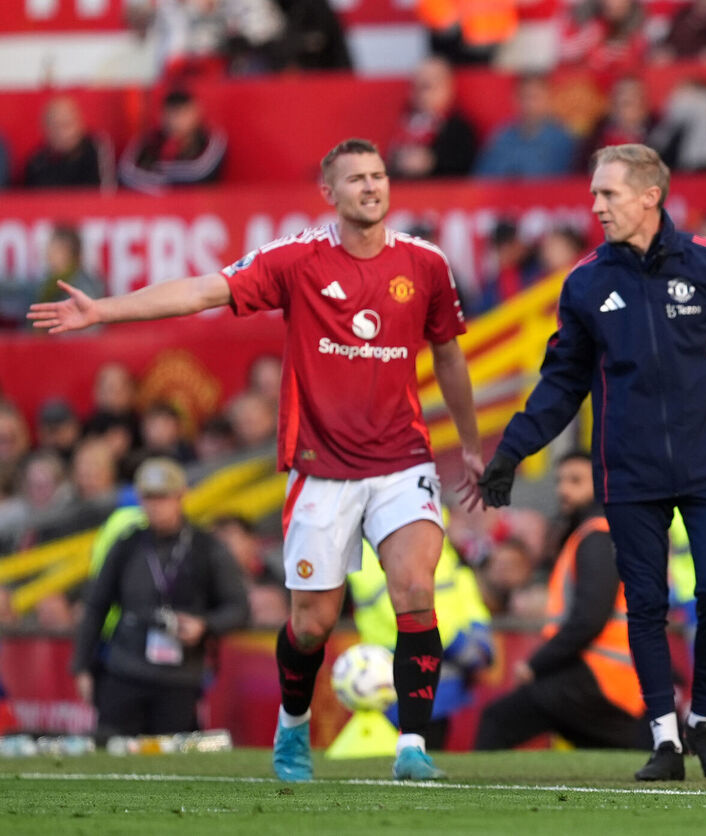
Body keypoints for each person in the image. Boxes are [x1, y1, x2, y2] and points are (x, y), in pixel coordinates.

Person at [29, 137, 484, 784]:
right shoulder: (296, 259)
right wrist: (105, 310)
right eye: (355, 178)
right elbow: (200, 291)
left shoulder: (427, 264)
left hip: (400, 461)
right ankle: (293, 725)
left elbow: (448, 352)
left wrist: (467, 442)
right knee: (311, 622)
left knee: (415, 589)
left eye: (379, 175)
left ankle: (412, 743)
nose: (372, 186)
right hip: (321, 469)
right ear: (329, 193)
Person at [478, 143, 706, 781]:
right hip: (628, 472)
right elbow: (560, 383)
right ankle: (664, 738)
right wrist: (513, 451)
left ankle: (704, 719)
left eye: (608, 194)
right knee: (647, 605)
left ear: (650, 196)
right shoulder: (584, 282)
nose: (595, 206)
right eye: (595, 193)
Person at [475, 451, 645, 750]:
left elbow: (589, 619)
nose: (563, 489)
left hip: (598, 677)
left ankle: (470, 796)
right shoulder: (594, 534)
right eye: (560, 481)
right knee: (614, 748)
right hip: (606, 679)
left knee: (497, 720)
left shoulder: (597, 536)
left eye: (576, 481)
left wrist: (536, 665)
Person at [71, 458, 249, 739]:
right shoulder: (127, 544)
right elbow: (96, 605)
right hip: (123, 672)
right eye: (149, 498)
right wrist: (81, 666)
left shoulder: (206, 548)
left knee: (169, 767)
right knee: (110, 758)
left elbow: (239, 608)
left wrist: (205, 626)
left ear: (181, 496)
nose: (156, 506)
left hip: (179, 679)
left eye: (163, 497)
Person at [349, 532, 492, 750]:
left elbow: (461, 585)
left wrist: (479, 631)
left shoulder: (436, 532)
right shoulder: (369, 547)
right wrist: (458, 643)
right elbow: (396, 606)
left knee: (428, 749)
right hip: (396, 670)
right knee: (404, 749)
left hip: (444, 670)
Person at [118, 88, 227, 194]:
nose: (175, 121)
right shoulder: (148, 141)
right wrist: (165, 186)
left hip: (198, 207)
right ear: (161, 115)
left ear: (196, 113)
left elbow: (200, 174)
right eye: (170, 114)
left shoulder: (210, 139)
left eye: (182, 114)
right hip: (151, 208)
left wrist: (157, 172)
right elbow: (126, 173)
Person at [386, 56, 477, 180]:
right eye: (418, 85)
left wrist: (431, 162)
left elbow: (464, 168)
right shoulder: (404, 122)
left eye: (429, 85)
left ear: (448, 88)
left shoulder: (458, 128)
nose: (422, 92)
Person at [473, 75, 577, 179]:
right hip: (502, 194)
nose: (529, 104)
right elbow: (481, 180)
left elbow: (569, 185)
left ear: (548, 99)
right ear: (514, 99)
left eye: (535, 97)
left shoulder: (562, 141)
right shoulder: (500, 138)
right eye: (523, 97)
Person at [23, 95, 114, 189]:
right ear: (43, 128)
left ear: (80, 123)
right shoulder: (36, 163)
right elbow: (29, 200)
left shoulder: (95, 149)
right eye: (54, 126)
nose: (61, 132)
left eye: (66, 124)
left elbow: (107, 194)